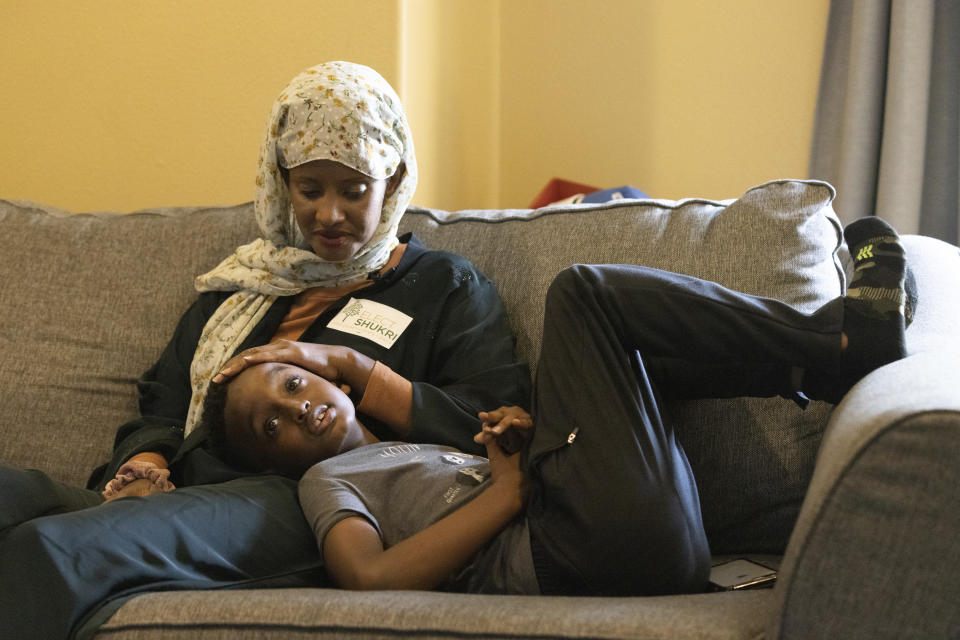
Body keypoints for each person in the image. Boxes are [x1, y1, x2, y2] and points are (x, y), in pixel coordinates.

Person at [0, 61, 529, 639]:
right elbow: (167, 398)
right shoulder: (245, 285)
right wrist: (148, 459)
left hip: (306, 499)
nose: (329, 215)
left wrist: (355, 368)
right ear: (282, 183)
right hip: (187, 484)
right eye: (309, 189)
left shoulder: (445, 286)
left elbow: (489, 423)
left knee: (49, 549)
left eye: (354, 190)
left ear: (394, 179)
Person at [201, 217, 916, 597]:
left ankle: (808, 362)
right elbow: (368, 579)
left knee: (633, 358)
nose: (296, 411)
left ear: (325, 376)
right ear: (272, 460)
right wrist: (507, 492)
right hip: (580, 551)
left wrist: (520, 445)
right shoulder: (326, 484)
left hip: (617, 536)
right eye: (271, 426)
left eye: (293, 384)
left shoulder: (400, 446)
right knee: (582, 294)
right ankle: (838, 340)